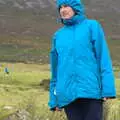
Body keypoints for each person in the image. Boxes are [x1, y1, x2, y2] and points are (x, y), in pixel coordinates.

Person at [48, 0, 116, 120]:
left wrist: (108, 89)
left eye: (66, 6)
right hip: (67, 94)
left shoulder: (92, 26)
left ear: (76, 8)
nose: (63, 10)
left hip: (91, 91)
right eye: (60, 7)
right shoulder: (58, 36)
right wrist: (54, 100)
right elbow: (55, 71)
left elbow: (103, 58)